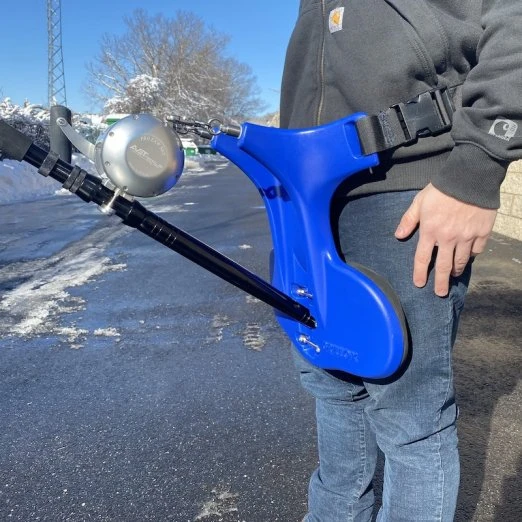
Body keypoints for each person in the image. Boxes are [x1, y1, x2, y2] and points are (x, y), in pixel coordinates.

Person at [279, 1, 522, 521]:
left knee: (411, 421)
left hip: (405, 186)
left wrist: (477, 166)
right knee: (333, 388)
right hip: (304, 201)